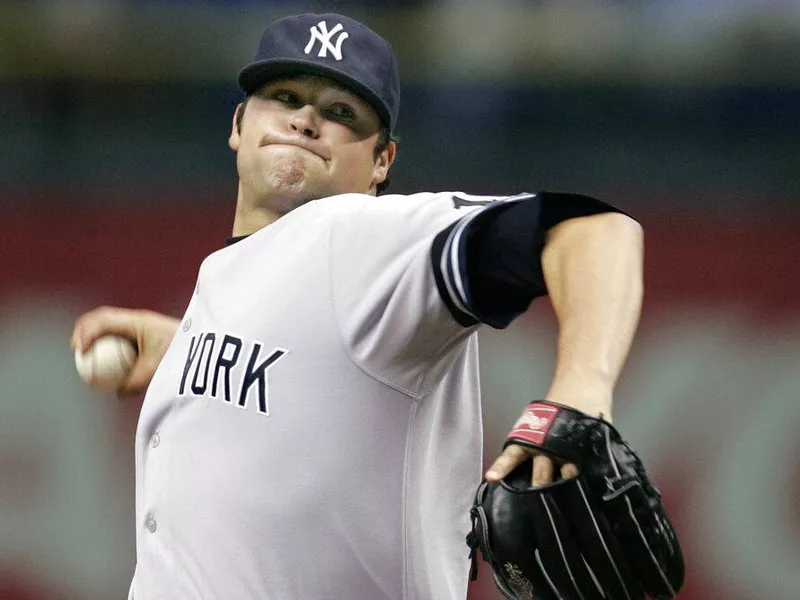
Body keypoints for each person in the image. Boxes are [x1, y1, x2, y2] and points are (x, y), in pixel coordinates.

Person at [70, 13, 644, 600]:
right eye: (285, 96)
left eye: (342, 114)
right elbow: (311, 355)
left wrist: (579, 398)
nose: (305, 119)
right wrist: (187, 350)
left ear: (382, 163)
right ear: (239, 123)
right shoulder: (241, 271)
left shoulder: (365, 238)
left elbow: (592, 231)